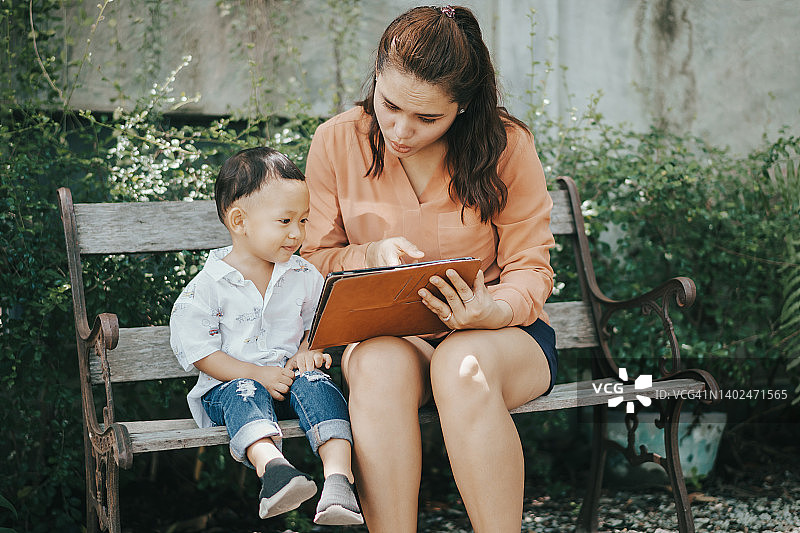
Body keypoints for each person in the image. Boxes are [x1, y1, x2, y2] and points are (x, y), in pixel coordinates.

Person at [299, 5, 558, 532]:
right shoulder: (336, 140)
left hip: (501, 337)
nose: (400, 130)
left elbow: (531, 268)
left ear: (463, 106)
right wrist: (367, 256)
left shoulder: (506, 145)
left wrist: (491, 310)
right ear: (376, 75)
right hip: (390, 336)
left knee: (462, 365)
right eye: (390, 105)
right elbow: (311, 261)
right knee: (376, 366)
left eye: (427, 118)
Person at [169, 147, 363, 526]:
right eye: (285, 221)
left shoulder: (302, 274)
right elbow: (202, 353)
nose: (297, 233)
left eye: (303, 220)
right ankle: (274, 470)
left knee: (317, 382)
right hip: (231, 390)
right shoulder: (208, 287)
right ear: (240, 221)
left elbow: (317, 324)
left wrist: (308, 351)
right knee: (244, 391)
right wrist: (257, 374)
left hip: (288, 383)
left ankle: (339, 480)